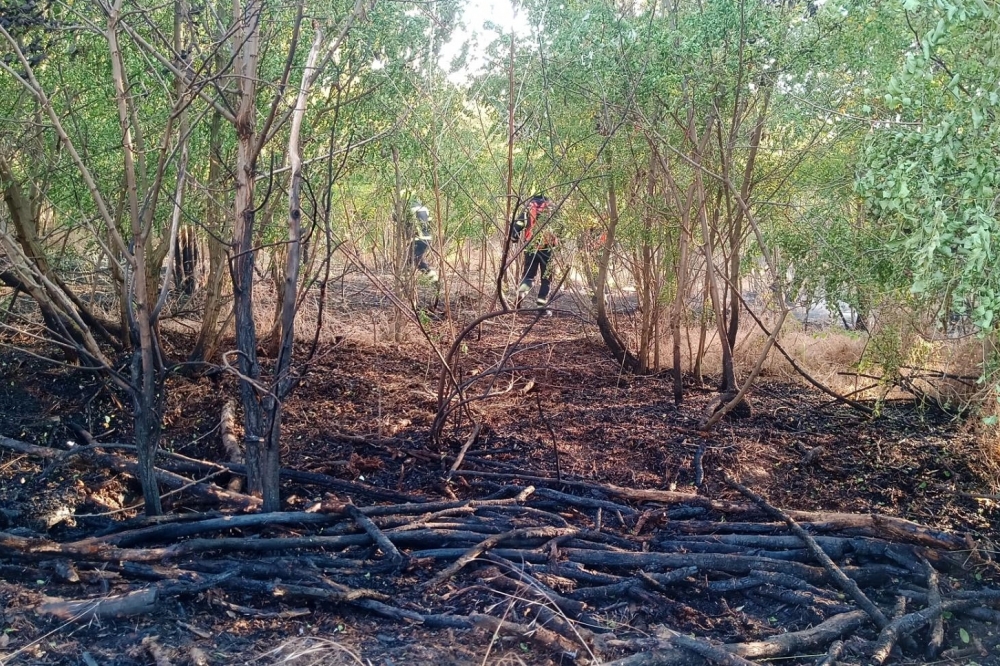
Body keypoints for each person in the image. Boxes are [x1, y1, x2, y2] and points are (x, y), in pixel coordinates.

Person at [510, 194, 556, 308]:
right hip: (547, 249)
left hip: (531, 248)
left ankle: (521, 293)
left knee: (529, 276)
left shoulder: (529, 208)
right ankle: (541, 306)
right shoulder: (552, 208)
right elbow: (560, 228)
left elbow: (518, 224)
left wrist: (514, 238)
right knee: (546, 279)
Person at [407, 196, 438, 282]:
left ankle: (434, 280)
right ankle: (406, 279)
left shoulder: (409, 209)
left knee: (416, 261)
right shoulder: (424, 208)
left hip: (418, 238)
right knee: (411, 260)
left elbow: (397, 218)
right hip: (426, 238)